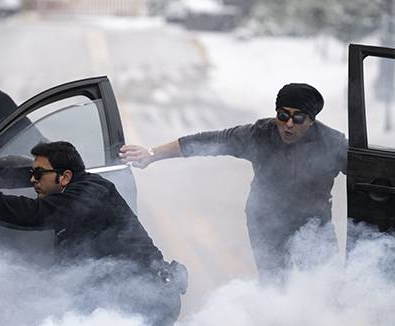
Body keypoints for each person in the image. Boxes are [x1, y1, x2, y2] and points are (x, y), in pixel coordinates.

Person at [0, 140, 186, 326]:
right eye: (31, 174)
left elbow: (35, 214)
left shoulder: (90, 193)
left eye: (38, 174)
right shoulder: (75, 191)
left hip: (148, 299)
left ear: (65, 176)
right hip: (121, 295)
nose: (32, 180)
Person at [119, 83, 347, 281]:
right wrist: (152, 154)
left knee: (326, 283)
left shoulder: (332, 143)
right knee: (276, 284)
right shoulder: (259, 134)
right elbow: (208, 141)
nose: (288, 124)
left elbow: (367, 175)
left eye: (298, 118)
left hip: (314, 223)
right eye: (283, 115)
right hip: (267, 220)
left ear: (311, 120)